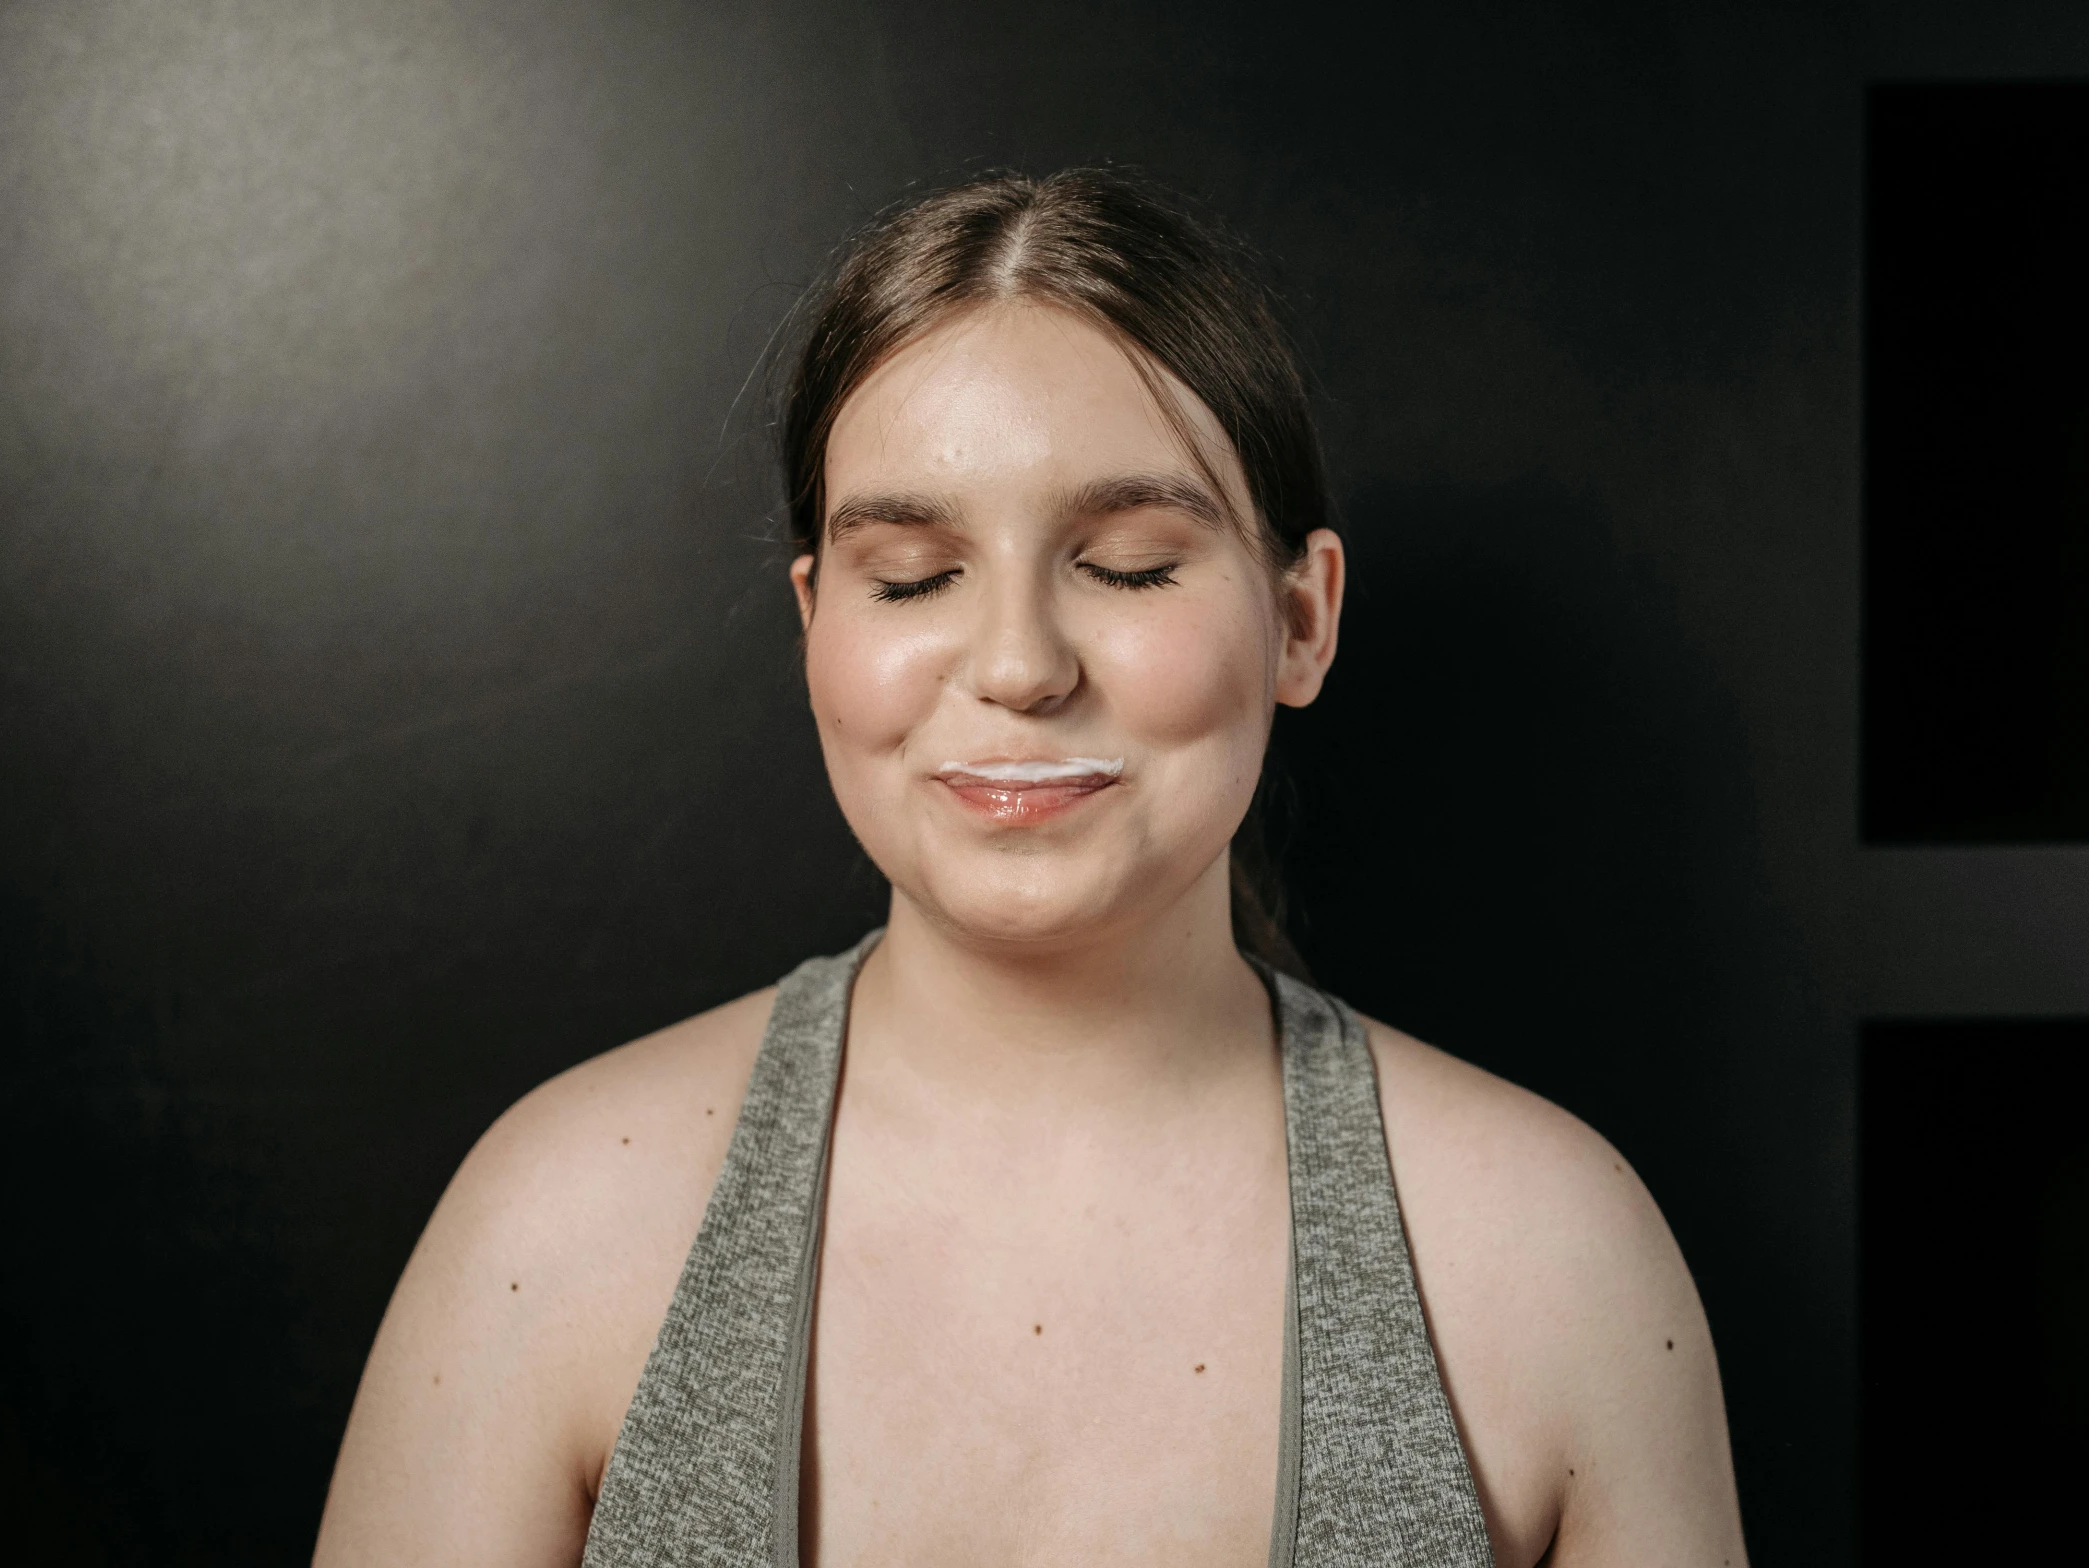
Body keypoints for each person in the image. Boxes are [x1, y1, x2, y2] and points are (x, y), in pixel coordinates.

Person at [313, 169, 1747, 1568]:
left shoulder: (1558, 1261)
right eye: (913, 576)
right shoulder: (553, 1225)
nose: (1016, 665)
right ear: (815, 623)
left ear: (1302, 621)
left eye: (1128, 565)